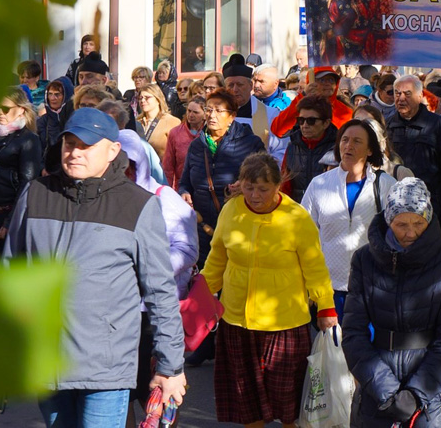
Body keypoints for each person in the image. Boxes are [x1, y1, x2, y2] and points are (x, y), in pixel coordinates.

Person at [4, 108, 187, 425]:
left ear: (113, 150)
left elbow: (160, 293)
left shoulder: (138, 205)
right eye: (69, 144)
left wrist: (170, 368)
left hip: (105, 368)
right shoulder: (35, 194)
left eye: (86, 145)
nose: (75, 152)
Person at [202, 153, 337, 428]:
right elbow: (216, 260)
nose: (254, 195)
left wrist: (325, 306)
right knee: (247, 398)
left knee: (289, 401)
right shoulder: (231, 211)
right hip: (237, 320)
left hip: (284, 323)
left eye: (263, 189)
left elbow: (315, 267)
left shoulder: (297, 218)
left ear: (278, 185)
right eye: (249, 187)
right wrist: (200, 300)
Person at [343, 178, 441, 428]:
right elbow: (353, 332)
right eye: (401, 224)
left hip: (432, 384)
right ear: (389, 221)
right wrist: (386, 391)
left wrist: (416, 394)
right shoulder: (364, 259)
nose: (410, 233)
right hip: (375, 382)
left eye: (418, 223)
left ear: (429, 219)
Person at [117, 129, 198, 422]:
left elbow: (188, 250)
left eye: (129, 164)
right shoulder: (106, 200)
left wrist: (151, 270)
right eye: (117, 164)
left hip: (154, 312)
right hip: (116, 312)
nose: (123, 171)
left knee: (157, 394)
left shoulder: (166, 199)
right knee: (119, 390)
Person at [301, 119, 397, 318]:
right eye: (344, 140)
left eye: (356, 141)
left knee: (367, 345)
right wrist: (308, 284)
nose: (348, 146)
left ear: (370, 150)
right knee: (331, 347)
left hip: (371, 286)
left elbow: (399, 233)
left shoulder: (386, 185)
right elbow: (304, 235)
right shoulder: (319, 184)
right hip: (328, 288)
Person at [179, 90, 265, 266]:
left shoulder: (250, 143)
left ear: (232, 116)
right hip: (204, 228)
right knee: (205, 280)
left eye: (219, 111)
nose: (212, 115)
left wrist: (246, 185)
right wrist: (184, 192)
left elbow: (266, 179)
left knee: (235, 277)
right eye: (209, 110)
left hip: (238, 225)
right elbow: (185, 181)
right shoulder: (197, 145)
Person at [386, 74, 441, 236]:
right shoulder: (388, 126)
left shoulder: (437, 125)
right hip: (394, 209)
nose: (400, 98)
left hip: (429, 208)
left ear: (420, 96)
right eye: (396, 93)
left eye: (407, 94)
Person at [0, 88, 43, 250]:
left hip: (8, 214)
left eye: (6, 109)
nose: (0, 112)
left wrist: (9, 222)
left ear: (21, 110)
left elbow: (27, 184)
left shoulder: (28, 140)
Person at [223, 56, 285, 163]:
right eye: (230, 85)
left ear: (250, 85)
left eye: (240, 84)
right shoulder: (216, 115)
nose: (235, 89)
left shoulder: (271, 114)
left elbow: (280, 151)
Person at [279, 95, 338, 203]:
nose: (305, 125)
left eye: (311, 120)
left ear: (326, 123)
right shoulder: (292, 146)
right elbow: (284, 186)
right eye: (301, 120)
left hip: (327, 211)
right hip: (297, 211)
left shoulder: (338, 148)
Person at [271, 66, 353, 137]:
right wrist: (303, 96)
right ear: (311, 83)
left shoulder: (346, 112)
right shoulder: (302, 107)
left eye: (331, 80)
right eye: (322, 80)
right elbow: (277, 129)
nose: (328, 84)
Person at [352, 104, 415, 180]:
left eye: (369, 122)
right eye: (356, 121)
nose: (361, 126)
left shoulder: (399, 173)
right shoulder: (343, 170)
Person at [163, 95, 206, 191]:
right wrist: (167, 190)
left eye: (195, 112)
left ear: (205, 114)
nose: (191, 115)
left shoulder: (210, 132)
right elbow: (168, 166)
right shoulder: (175, 133)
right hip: (181, 187)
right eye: (189, 111)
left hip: (204, 187)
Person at [136, 83, 181, 163]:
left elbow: (179, 152)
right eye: (140, 98)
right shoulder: (137, 122)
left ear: (158, 99)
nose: (143, 101)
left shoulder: (171, 121)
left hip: (163, 171)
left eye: (147, 97)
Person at [36, 77, 74, 153]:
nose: (53, 98)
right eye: (50, 94)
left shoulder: (74, 118)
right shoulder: (41, 121)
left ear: (66, 96)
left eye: (57, 94)